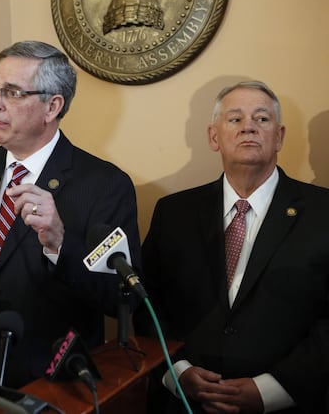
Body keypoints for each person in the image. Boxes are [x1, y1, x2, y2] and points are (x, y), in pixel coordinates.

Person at [0, 40, 141, 388]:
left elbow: (118, 298)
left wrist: (59, 242)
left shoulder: (105, 184)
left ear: (52, 106)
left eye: (12, 93)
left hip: (50, 381)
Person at [134, 80, 329, 413]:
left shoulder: (323, 212)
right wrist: (177, 371)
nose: (248, 127)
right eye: (235, 119)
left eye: (262, 119)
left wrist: (272, 390)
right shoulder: (173, 212)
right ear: (214, 137)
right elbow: (145, 303)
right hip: (185, 404)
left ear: (279, 136)